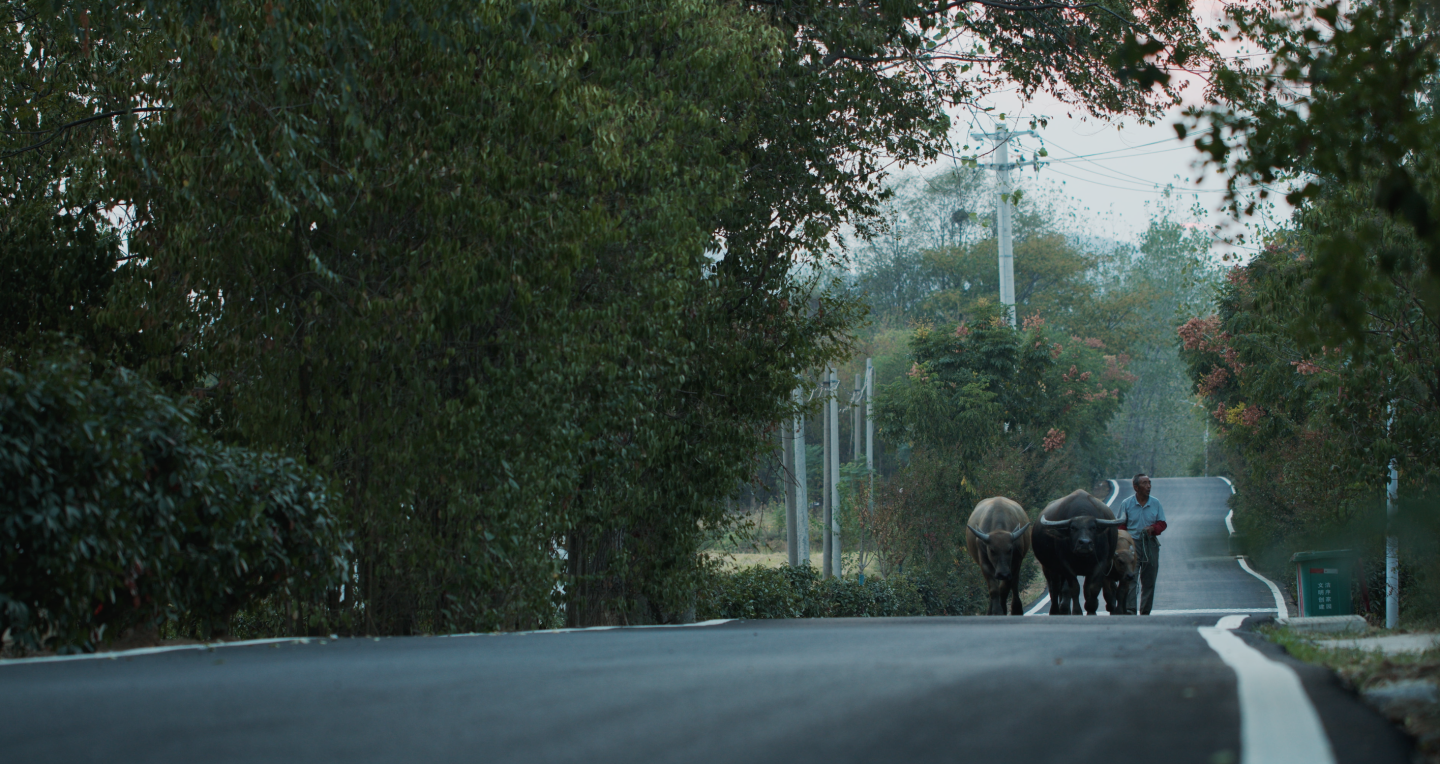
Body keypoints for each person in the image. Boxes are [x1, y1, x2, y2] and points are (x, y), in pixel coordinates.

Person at [1116, 473, 1166, 615]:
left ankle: (1145, 611)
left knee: (1149, 580)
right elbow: (1121, 525)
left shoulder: (1155, 503)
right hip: (1132, 545)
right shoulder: (1127, 503)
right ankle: (1130, 609)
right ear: (1135, 487)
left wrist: (1152, 529)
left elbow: (1162, 523)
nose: (1148, 486)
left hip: (1150, 544)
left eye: (1149, 483)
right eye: (1144, 483)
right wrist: (1125, 542)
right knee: (1130, 577)